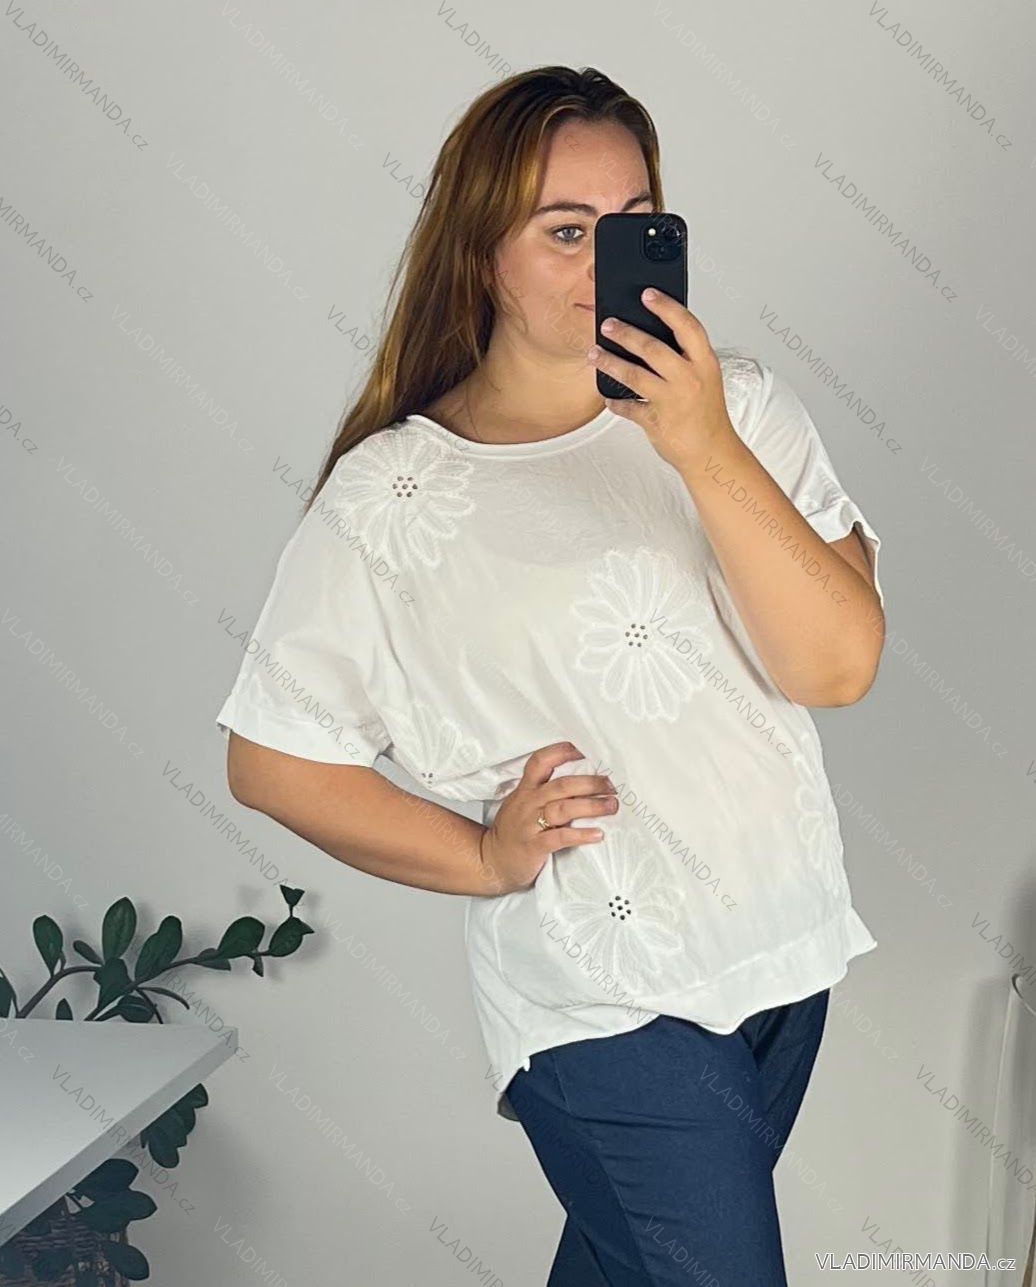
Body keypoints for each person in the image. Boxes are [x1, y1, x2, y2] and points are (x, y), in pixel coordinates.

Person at [216, 65, 886, 1286]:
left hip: (779, 953)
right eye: (564, 231)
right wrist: (483, 856)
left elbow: (835, 665)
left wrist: (699, 444)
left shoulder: (742, 412)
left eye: (632, 224)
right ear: (482, 254)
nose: (603, 261)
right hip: (602, 995)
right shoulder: (398, 489)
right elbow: (273, 757)